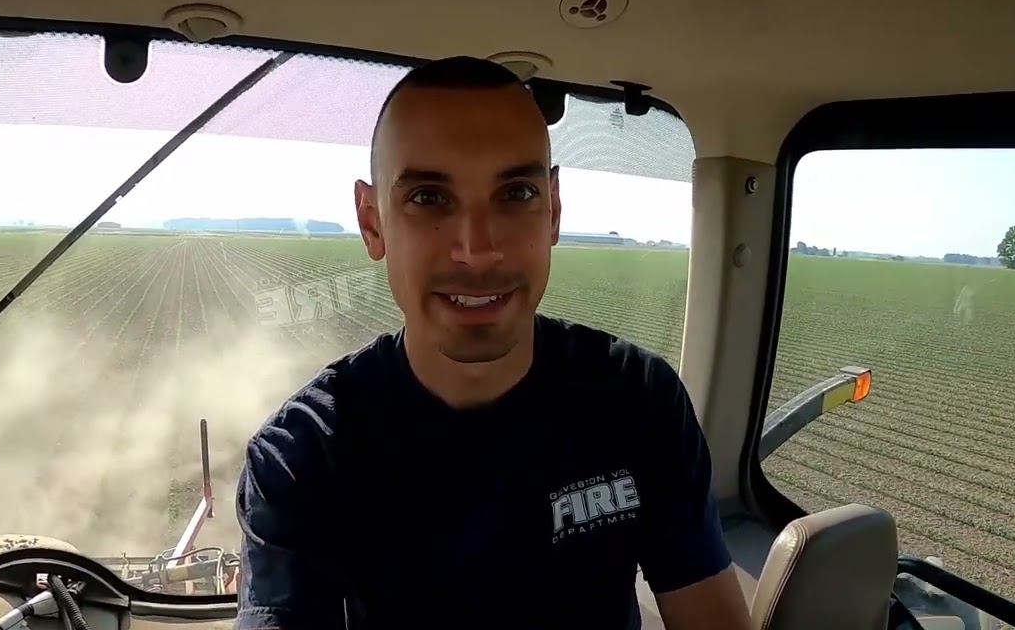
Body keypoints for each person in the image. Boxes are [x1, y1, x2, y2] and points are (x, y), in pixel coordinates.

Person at [233, 56, 752, 629]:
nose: (477, 251)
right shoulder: (303, 456)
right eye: (429, 198)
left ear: (552, 210)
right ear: (372, 222)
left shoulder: (640, 402)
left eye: (516, 194)